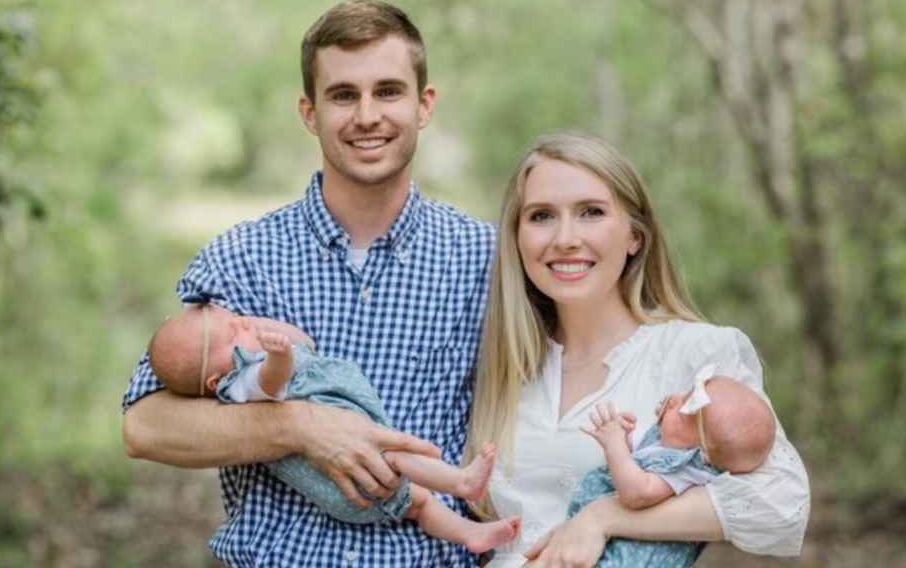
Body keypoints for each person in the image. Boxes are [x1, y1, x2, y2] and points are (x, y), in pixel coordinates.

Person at [122, 0, 496, 567]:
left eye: (388, 91)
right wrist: (299, 424)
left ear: (424, 105)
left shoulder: (484, 259)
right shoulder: (241, 258)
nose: (367, 115)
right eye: (343, 95)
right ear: (308, 112)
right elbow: (144, 427)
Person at [464, 131, 810, 567]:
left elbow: (782, 505)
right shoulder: (505, 364)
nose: (565, 237)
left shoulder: (695, 352)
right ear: (517, 237)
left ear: (635, 237)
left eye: (591, 212)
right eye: (541, 216)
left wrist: (603, 516)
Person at [146, 301, 521, 553]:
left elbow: (302, 340)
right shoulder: (239, 383)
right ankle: (460, 482)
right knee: (395, 459)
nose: (242, 324)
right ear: (213, 380)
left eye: (234, 319)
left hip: (353, 482)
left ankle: (470, 533)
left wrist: (248, 327)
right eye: (231, 335)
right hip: (347, 479)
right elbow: (272, 381)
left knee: (419, 503)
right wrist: (276, 354)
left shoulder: (247, 352)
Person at [569, 369, 777, 567]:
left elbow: (637, 492)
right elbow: (642, 459)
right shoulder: (669, 444)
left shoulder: (685, 468)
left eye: (683, 412)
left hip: (633, 557)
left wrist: (615, 447)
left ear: (700, 453)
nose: (674, 400)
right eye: (685, 395)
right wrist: (623, 436)